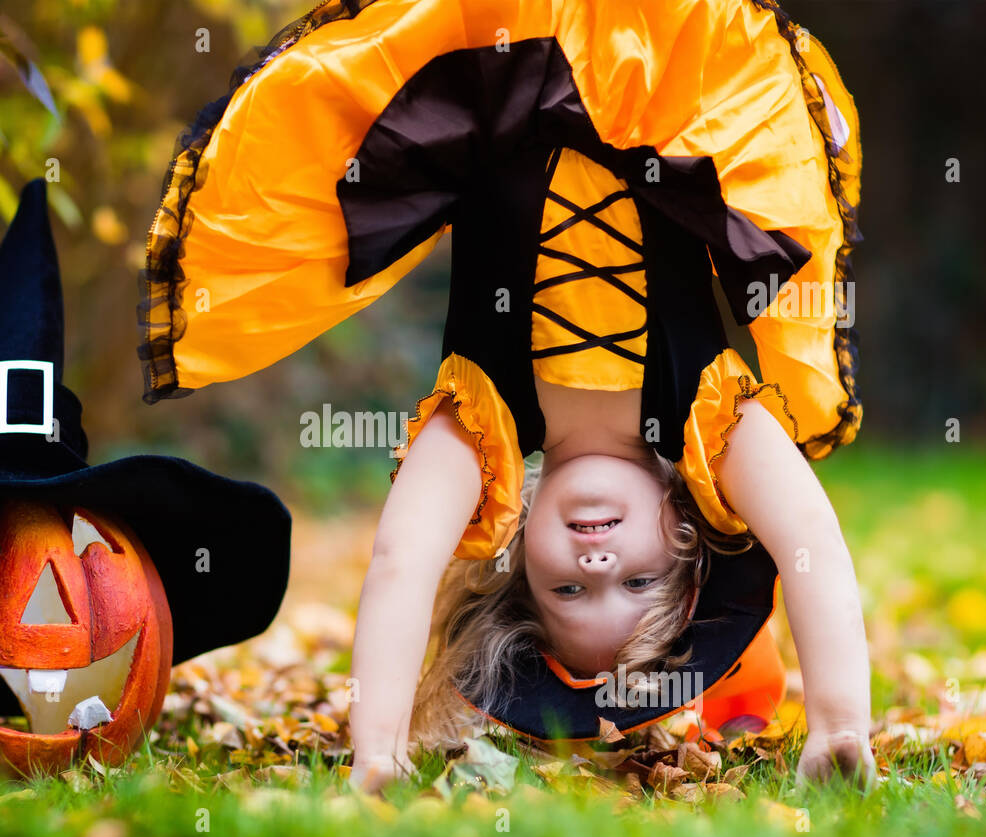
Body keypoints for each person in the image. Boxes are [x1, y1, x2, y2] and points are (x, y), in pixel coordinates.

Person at [136, 0, 877, 792]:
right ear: (684, 546)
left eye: (567, 588)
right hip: (668, 53)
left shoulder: (479, 427)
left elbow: (401, 562)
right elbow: (808, 539)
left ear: (519, 557)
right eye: (633, 582)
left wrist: (378, 751)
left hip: (496, 38)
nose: (597, 561)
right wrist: (838, 724)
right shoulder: (714, 419)